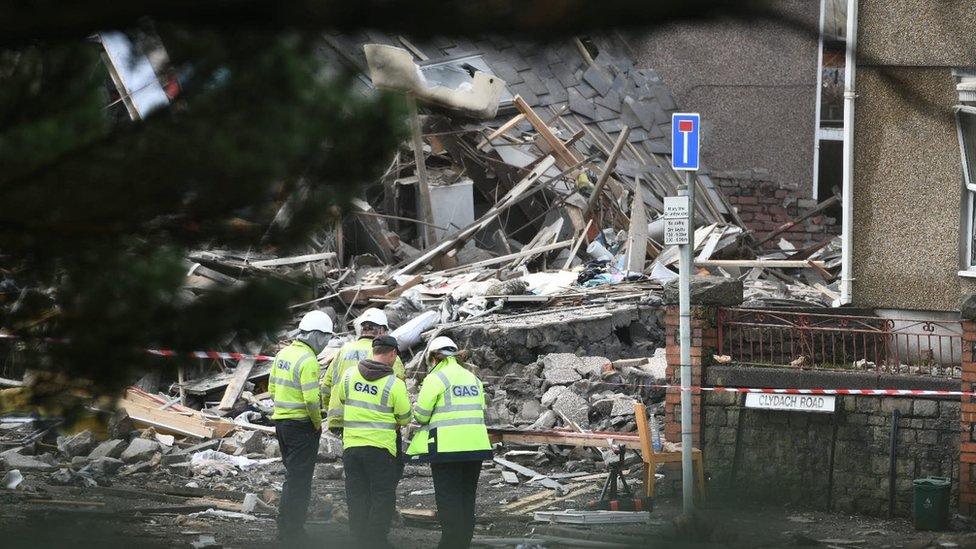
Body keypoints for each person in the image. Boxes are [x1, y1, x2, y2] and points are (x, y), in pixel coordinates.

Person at [406, 336, 493, 549]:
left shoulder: (436, 379)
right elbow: (481, 411)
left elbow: (422, 416)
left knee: (448, 500)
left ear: (433, 358)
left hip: (447, 450)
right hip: (476, 448)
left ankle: (450, 544)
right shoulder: (472, 378)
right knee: (466, 499)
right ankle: (462, 543)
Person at [327, 334, 411, 549]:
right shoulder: (394, 384)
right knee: (382, 495)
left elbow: (344, 399)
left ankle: (358, 538)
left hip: (352, 447)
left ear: (373, 351)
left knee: (357, 494)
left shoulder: (348, 375)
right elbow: (405, 417)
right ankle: (376, 540)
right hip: (381, 449)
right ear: (392, 354)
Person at [269, 310, 333, 543]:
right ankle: (291, 529)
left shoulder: (283, 353)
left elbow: (272, 389)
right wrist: (317, 423)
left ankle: (286, 524)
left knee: (292, 475)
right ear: (316, 336)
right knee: (299, 480)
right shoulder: (308, 361)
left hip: (282, 422)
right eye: (325, 338)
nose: (326, 344)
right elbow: (311, 400)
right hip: (301, 426)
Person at [322, 308, 404, 429]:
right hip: (372, 423)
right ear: (381, 330)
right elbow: (400, 389)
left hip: (340, 420)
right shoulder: (387, 354)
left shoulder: (343, 351)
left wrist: (330, 410)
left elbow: (326, 386)